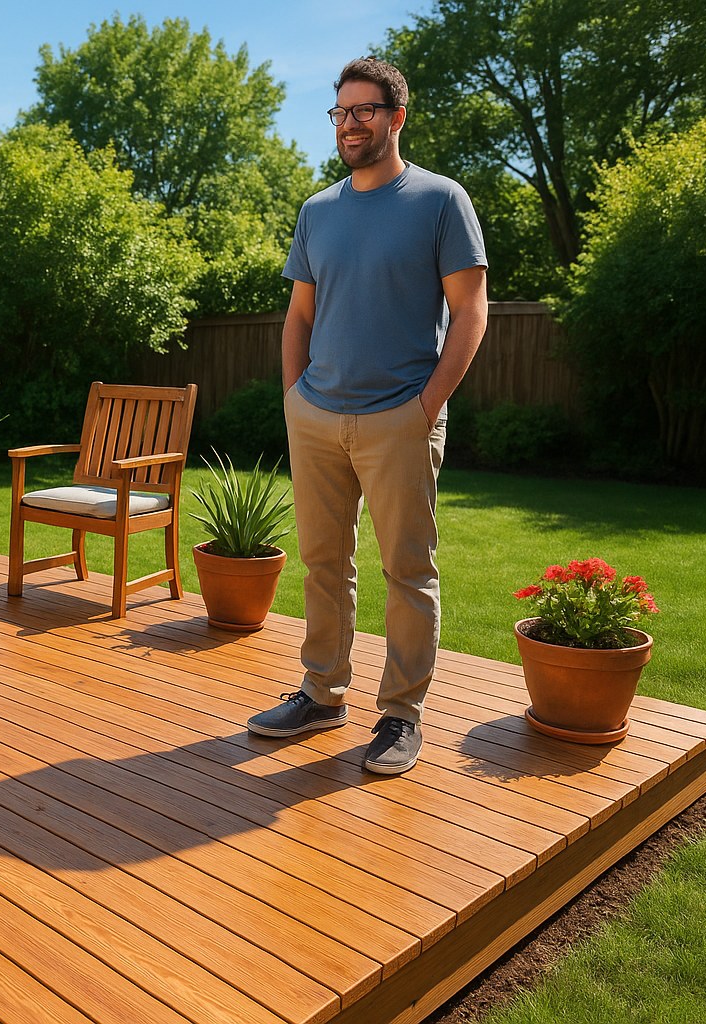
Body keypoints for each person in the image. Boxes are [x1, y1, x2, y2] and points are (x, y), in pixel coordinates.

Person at [245, 56, 488, 774]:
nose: (351, 124)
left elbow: (471, 309)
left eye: (365, 110)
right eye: (341, 112)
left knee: (406, 569)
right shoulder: (318, 210)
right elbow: (299, 316)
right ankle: (322, 693)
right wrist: (294, 395)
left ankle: (401, 714)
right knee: (324, 562)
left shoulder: (440, 200)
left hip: (400, 416)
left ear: (396, 117)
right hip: (316, 414)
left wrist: (428, 403)